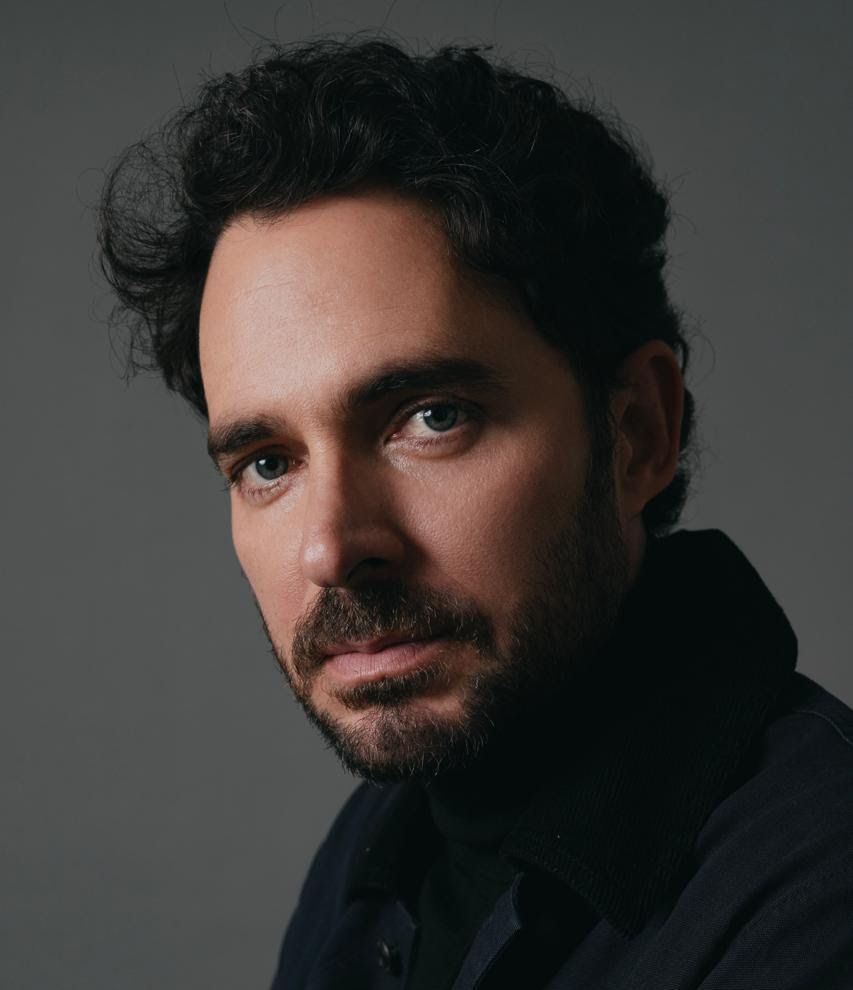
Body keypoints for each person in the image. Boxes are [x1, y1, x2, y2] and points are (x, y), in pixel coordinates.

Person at [98, 38, 853, 990]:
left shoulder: (818, 891)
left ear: (635, 434)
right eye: (267, 463)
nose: (331, 547)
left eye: (430, 418)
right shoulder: (383, 847)